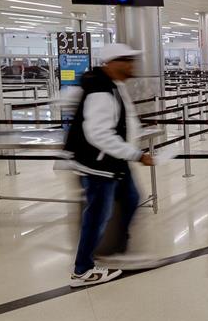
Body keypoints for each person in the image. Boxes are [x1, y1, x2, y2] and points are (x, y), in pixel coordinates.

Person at [64, 44, 155, 287]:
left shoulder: (114, 85)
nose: (132, 65)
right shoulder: (100, 90)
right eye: (126, 61)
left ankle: (116, 249)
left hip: (115, 161)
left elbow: (124, 119)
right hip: (99, 165)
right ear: (111, 63)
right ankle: (82, 270)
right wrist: (136, 154)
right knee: (97, 215)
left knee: (131, 198)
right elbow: (98, 134)